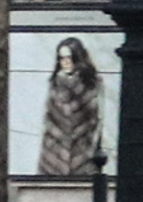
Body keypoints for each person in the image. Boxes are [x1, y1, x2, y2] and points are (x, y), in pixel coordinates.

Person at [38, 38, 102, 176]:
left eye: (69, 57)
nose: (65, 62)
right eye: (61, 58)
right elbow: (50, 118)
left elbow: (94, 117)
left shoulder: (89, 84)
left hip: (82, 150)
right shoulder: (56, 83)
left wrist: (74, 84)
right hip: (55, 152)